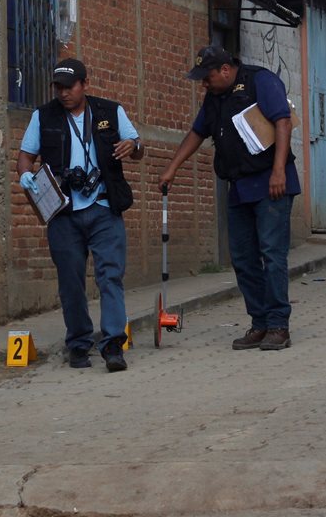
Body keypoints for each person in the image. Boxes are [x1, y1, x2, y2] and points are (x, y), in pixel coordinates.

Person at [159, 45, 301, 351]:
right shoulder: (214, 98)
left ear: (225, 70)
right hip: (239, 187)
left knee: (272, 255)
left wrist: (279, 171)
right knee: (243, 258)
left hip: (271, 183)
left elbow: (283, 122)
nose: (204, 84)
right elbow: (197, 133)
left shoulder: (260, 81)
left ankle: (279, 325)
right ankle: (260, 323)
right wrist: (172, 167)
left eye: (207, 77)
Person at [16, 58, 144, 372]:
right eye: (57, 87)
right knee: (70, 281)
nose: (62, 93)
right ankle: (78, 344)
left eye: (69, 86)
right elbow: (25, 155)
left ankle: (113, 344)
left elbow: (138, 147)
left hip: (102, 206)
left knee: (110, 276)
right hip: (63, 210)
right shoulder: (43, 116)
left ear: (85, 85)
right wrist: (24, 175)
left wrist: (133, 146)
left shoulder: (109, 111)